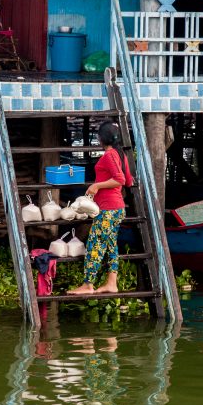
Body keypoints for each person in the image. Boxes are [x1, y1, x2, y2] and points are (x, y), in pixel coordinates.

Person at [67, 121, 133, 295]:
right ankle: (112, 283)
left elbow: (120, 180)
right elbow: (129, 180)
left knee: (94, 243)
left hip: (109, 209)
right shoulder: (121, 155)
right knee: (111, 245)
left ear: (101, 138)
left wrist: (97, 186)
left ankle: (88, 285)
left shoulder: (110, 155)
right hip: (117, 208)